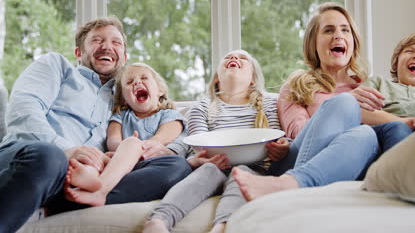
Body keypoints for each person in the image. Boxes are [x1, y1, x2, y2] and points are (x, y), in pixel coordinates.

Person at [0, 16, 191, 233]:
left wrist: (114, 159)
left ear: (124, 58)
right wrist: (67, 150)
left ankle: (61, 203)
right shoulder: (58, 66)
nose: (107, 46)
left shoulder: (124, 99)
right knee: (50, 155)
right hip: (33, 158)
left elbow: (159, 126)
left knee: (175, 167)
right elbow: (23, 110)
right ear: (79, 53)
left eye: (116, 42)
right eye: (97, 40)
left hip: (84, 178)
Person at [233, 2, 381, 201]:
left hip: (346, 166)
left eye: (345, 30)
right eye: (329, 30)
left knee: (366, 135)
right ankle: (292, 183)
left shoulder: (368, 88)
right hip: (298, 159)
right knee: (345, 104)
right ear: (313, 43)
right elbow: (299, 134)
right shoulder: (298, 85)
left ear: (353, 41)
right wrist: (343, 103)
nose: (338, 35)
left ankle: (294, 185)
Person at [142, 49, 289, 233]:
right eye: (227, 57)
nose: (234, 58)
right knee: (208, 170)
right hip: (214, 165)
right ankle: (158, 221)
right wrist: (199, 159)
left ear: (252, 79)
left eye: (243, 58)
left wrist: (282, 148)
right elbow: (198, 145)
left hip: (256, 169)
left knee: (241, 172)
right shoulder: (202, 107)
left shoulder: (268, 104)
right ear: (217, 78)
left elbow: (277, 137)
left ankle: (222, 227)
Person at [64, 62, 192, 206]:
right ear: (124, 98)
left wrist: (137, 148)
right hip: (118, 163)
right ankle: (88, 179)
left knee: (175, 163)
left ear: (160, 90)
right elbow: (113, 140)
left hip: (148, 164)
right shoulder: (120, 116)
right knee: (98, 157)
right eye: (129, 82)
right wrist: (123, 151)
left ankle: (100, 189)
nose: (137, 82)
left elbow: (165, 135)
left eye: (144, 78)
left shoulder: (169, 114)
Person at [361, 32, 415, 153]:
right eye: (410, 51)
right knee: (398, 128)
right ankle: (397, 171)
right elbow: (361, 110)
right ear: (396, 62)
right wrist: (403, 121)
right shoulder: (378, 82)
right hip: (385, 131)